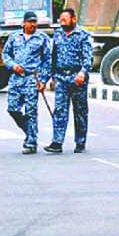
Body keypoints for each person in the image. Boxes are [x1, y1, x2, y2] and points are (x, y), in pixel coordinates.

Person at [44, 8, 93, 154]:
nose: (62, 23)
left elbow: (88, 57)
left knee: (80, 111)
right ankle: (57, 142)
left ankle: (80, 142)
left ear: (73, 19)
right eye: (61, 20)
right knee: (59, 110)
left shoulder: (83, 35)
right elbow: (53, 57)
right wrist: (51, 77)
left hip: (77, 78)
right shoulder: (58, 34)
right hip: (61, 78)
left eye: (65, 20)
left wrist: (83, 73)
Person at [2, 11, 51, 154]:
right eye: (30, 22)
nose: (33, 24)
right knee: (12, 109)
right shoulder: (14, 37)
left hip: (32, 78)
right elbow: (5, 54)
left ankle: (31, 142)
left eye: (35, 22)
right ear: (23, 23)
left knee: (31, 111)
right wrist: (12, 65)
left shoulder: (42, 38)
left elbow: (47, 60)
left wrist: (43, 80)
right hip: (16, 78)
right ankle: (29, 131)